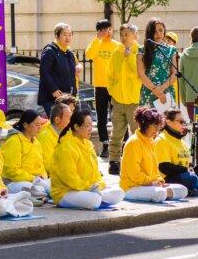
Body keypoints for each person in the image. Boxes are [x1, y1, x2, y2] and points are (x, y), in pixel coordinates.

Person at [50, 110, 125, 209]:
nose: (90, 129)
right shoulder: (66, 147)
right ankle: (97, 199)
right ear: (76, 127)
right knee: (94, 200)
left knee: (118, 193)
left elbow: (96, 174)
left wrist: (99, 185)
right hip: (66, 192)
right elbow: (69, 178)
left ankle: (97, 198)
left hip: (88, 190)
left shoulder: (88, 144)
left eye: (92, 126)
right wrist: (89, 188)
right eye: (87, 126)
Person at [119, 107, 189, 203]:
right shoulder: (133, 143)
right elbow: (135, 176)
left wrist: (160, 181)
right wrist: (152, 183)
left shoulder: (151, 142)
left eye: (158, 127)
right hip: (132, 187)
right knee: (160, 193)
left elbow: (156, 171)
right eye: (155, 126)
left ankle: (162, 194)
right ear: (145, 125)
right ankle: (163, 194)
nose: (157, 130)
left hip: (151, 185)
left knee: (182, 189)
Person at [107, 23, 142, 175]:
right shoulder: (116, 52)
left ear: (135, 35)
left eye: (127, 34)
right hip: (119, 99)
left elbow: (140, 72)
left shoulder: (140, 52)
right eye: (122, 34)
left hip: (134, 99)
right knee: (116, 132)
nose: (124, 37)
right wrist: (113, 91)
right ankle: (114, 161)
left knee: (137, 132)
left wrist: (130, 57)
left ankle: (137, 160)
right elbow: (110, 75)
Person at [158, 109, 198, 197]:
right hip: (167, 179)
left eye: (184, 122)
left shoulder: (182, 142)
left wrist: (195, 170)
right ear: (169, 122)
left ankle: (189, 191)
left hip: (184, 177)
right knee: (192, 179)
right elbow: (164, 167)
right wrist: (187, 171)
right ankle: (190, 190)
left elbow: (186, 164)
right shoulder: (162, 139)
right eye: (181, 122)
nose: (184, 125)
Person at [85, 19, 121, 158]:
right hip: (100, 86)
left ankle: (119, 143)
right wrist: (97, 39)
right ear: (99, 31)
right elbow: (88, 55)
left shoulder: (116, 45)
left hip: (115, 86)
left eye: (110, 29)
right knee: (101, 117)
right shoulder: (96, 44)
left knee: (117, 115)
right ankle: (105, 144)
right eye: (105, 30)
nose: (108, 32)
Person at [0, 110, 50, 200]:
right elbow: (12, 170)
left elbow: (41, 166)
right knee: (33, 189)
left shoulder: (36, 142)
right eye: (36, 125)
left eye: (40, 125)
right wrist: (33, 178)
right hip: (13, 182)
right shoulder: (14, 140)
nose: (39, 128)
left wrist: (43, 176)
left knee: (51, 186)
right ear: (25, 125)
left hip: (35, 180)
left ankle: (41, 195)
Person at [39, 23, 79, 116]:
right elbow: (44, 72)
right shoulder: (50, 50)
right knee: (57, 124)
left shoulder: (69, 52)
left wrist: (73, 93)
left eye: (70, 35)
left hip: (67, 97)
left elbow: (71, 74)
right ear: (57, 36)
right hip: (51, 97)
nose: (67, 38)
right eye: (64, 35)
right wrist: (54, 90)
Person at [138, 18, 177, 108]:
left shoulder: (171, 49)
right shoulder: (142, 49)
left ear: (164, 31)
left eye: (160, 30)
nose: (158, 33)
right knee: (149, 121)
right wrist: (156, 90)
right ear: (149, 33)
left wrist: (162, 88)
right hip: (148, 92)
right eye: (154, 31)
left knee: (168, 122)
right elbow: (141, 74)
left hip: (166, 93)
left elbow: (175, 73)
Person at [37, 100, 72, 176]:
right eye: (69, 118)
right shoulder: (45, 136)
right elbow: (47, 165)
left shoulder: (67, 134)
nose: (72, 122)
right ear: (57, 120)